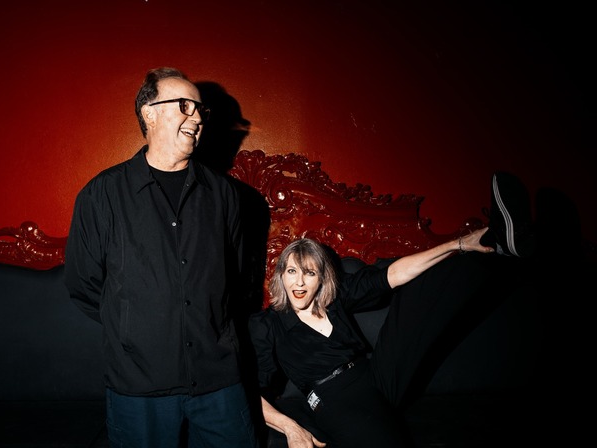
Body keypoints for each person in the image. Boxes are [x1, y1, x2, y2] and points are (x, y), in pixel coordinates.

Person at [248, 172, 536, 447]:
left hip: (376, 375)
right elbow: (246, 389)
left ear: (321, 279)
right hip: (333, 397)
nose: (299, 282)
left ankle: (497, 243)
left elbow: (394, 274)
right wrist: (291, 427)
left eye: (309, 273)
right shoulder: (268, 324)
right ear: (280, 276)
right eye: (291, 271)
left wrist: (460, 243)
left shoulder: (334, 298)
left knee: (414, 284)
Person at [64, 67, 259, 448]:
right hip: (138, 387)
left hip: (219, 382)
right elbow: (83, 285)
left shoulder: (225, 194)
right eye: (185, 105)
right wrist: (135, 328)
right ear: (149, 113)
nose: (197, 117)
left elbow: (236, 279)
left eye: (201, 110)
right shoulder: (101, 195)